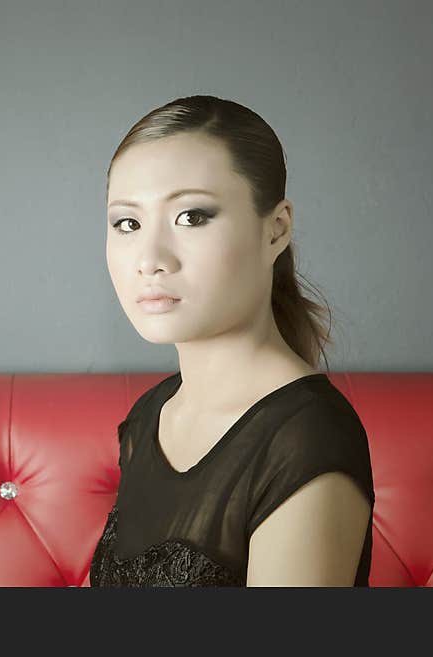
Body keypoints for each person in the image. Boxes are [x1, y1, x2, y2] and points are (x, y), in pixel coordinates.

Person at [88, 95, 375, 587]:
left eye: (192, 217)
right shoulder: (147, 418)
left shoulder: (305, 439)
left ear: (276, 229)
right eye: (128, 223)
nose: (150, 258)